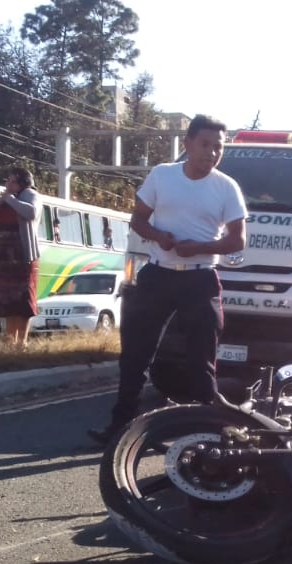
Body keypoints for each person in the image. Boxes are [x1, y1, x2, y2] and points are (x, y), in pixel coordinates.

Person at [88, 114, 246, 445]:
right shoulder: (162, 176)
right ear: (187, 143)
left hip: (201, 280)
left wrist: (199, 248)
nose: (211, 152)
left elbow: (237, 240)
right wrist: (159, 237)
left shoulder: (227, 187)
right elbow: (138, 220)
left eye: (218, 147)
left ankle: (208, 432)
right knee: (135, 355)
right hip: (158, 274)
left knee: (201, 360)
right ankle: (119, 429)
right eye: (205, 144)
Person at [0, 167, 41, 350]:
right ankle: (9, 341)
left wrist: (10, 199)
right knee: (5, 299)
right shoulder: (4, 199)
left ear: (23, 183)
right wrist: (1, 200)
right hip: (0, 257)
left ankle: (21, 343)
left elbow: (30, 213)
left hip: (21, 255)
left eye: (13, 181)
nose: (8, 184)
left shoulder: (31, 195)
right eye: (7, 180)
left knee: (21, 299)